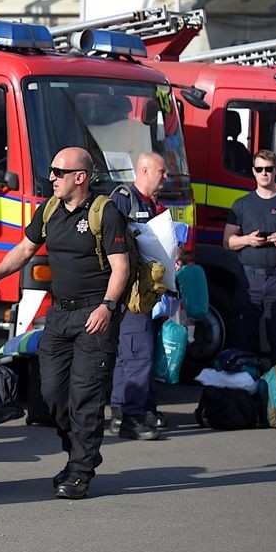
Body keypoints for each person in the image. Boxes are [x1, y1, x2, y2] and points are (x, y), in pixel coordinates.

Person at [0, 147, 129, 500]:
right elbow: (25, 250)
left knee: (85, 396)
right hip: (60, 314)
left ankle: (79, 471)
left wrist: (107, 307)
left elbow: (121, 267)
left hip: (95, 315)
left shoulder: (105, 213)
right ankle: (80, 449)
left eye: (59, 172)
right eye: (51, 171)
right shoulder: (50, 210)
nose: (52, 178)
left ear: (80, 177)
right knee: (51, 394)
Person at [107, 153, 167, 441]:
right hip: (130, 292)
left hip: (146, 291)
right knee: (136, 352)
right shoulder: (123, 197)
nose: (165, 177)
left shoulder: (150, 203)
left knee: (136, 353)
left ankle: (129, 411)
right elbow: (114, 241)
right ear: (144, 170)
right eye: (161, 171)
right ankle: (129, 414)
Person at [223, 149, 276, 364]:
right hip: (249, 280)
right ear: (253, 171)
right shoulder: (241, 204)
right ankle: (246, 392)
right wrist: (248, 240)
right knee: (244, 341)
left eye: (269, 169)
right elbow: (228, 241)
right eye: (259, 169)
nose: (264, 173)